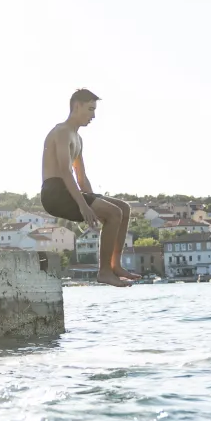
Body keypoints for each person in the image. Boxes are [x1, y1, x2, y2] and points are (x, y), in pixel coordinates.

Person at [40, 89, 139, 287]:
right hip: (55, 193)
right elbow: (65, 172)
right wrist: (85, 206)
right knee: (113, 214)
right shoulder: (61, 132)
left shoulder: (78, 139)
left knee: (123, 209)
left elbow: (81, 177)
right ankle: (104, 272)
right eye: (90, 109)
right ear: (77, 106)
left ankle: (115, 265)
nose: (93, 116)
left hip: (68, 190)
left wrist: (94, 200)